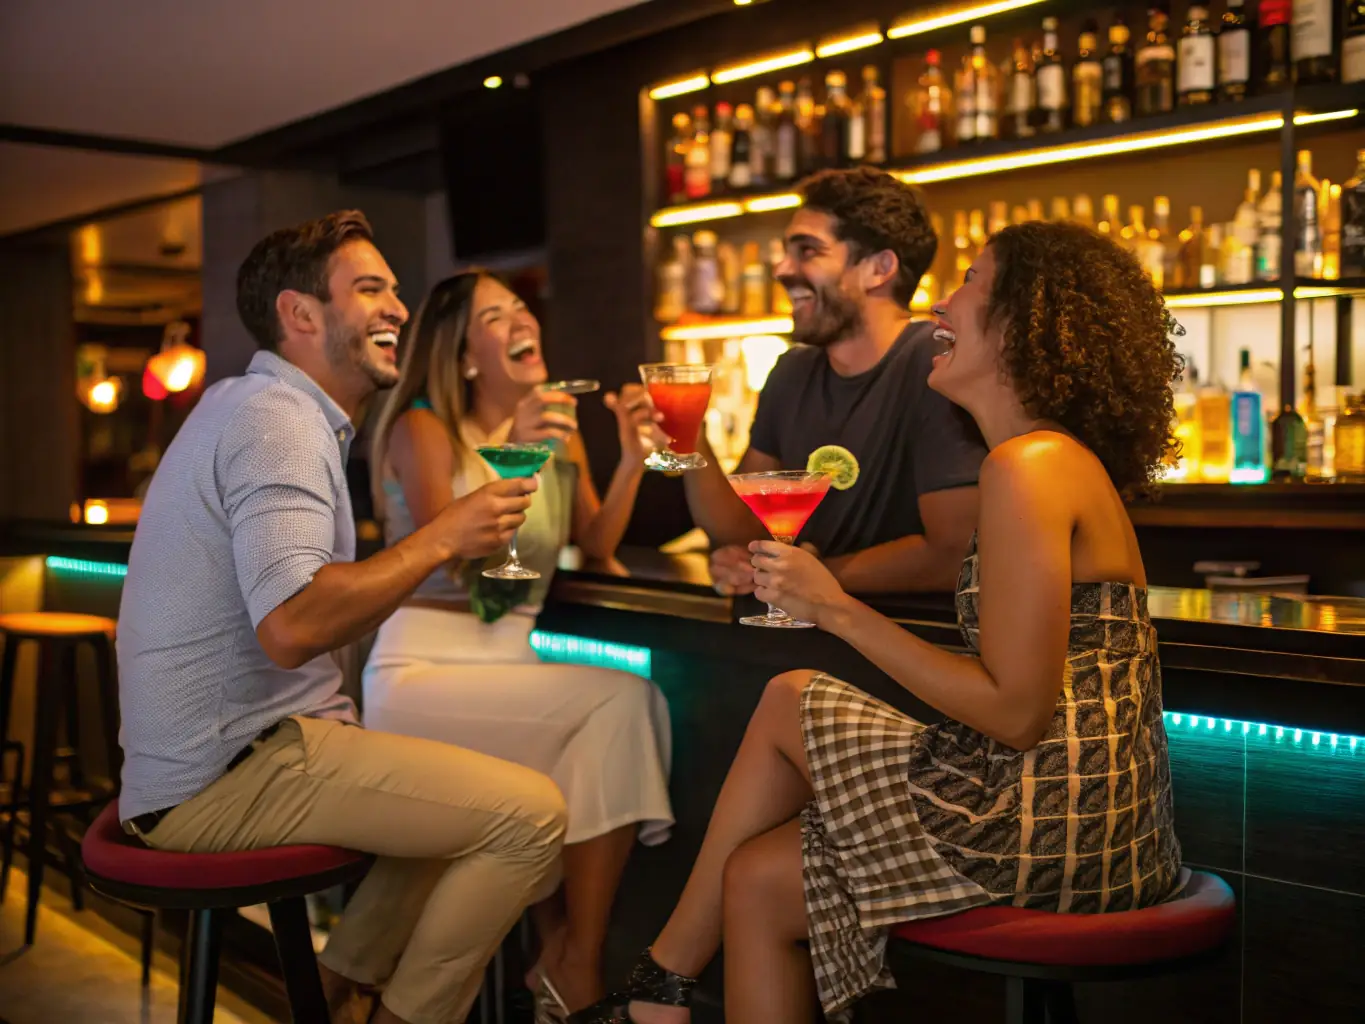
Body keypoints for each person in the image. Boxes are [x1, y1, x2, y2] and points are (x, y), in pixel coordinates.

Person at [577, 221, 1185, 1024]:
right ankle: (660, 989)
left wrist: (832, 604)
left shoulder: (1029, 467)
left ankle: (656, 986)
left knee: (794, 694)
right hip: (1087, 813)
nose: (942, 298)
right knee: (756, 875)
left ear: (1021, 319)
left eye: (968, 279)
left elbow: (1014, 711)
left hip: (1058, 828)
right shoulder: (1041, 461)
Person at [117, 211, 568, 1024]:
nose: (398, 307)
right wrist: (442, 536)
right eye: (370, 289)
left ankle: (336, 999)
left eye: (395, 289)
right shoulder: (276, 420)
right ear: (300, 316)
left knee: (453, 819)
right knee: (530, 817)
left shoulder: (260, 407)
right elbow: (292, 626)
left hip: (213, 762)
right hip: (224, 774)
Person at [363, 271, 674, 1015]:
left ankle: (566, 955)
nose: (519, 321)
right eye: (494, 316)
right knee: (619, 700)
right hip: (424, 666)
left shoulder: (555, 431)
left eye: (521, 309)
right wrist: (513, 444)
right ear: (465, 353)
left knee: (608, 721)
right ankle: (574, 960)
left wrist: (632, 458)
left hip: (511, 667)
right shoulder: (422, 426)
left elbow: (593, 541)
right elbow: (451, 550)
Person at [687, 167, 986, 597]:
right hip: (803, 634)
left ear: (879, 268)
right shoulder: (791, 371)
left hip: (909, 643)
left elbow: (955, 552)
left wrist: (812, 577)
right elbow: (742, 527)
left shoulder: (934, 365)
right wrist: (690, 434)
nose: (782, 269)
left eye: (808, 251)